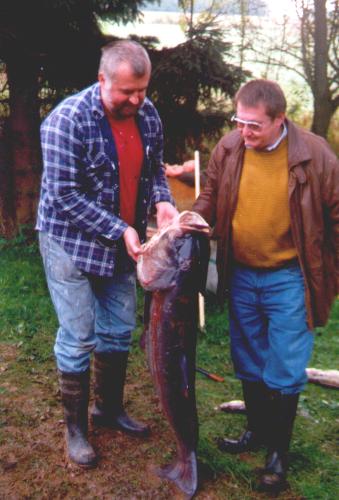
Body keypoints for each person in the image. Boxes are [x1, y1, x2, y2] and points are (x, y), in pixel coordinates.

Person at [36, 39, 178, 468]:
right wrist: (121, 229)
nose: (136, 100)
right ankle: (76, 430)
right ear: (102, 80)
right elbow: (63, 196)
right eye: (126, 92)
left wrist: (163, 201)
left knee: (117, 331)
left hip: (123, 242)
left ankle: (109, 409)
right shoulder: (66, 122)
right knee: (80, 336)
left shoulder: (148, 115)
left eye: (142, 90)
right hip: (70, 243)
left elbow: (154, 171)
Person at [193, 79, 339, 492]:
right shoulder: (230, 147)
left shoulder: (316, 156)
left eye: (254, 125)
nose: (244, 131)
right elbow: (212, 192)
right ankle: (255, 432)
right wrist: (194, 219)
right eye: (239, 121)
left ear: (280, 120)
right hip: (241, 272)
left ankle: (278, 453)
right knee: (249, 357)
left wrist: (332, 275)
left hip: (290, 276)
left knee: (286, 365)